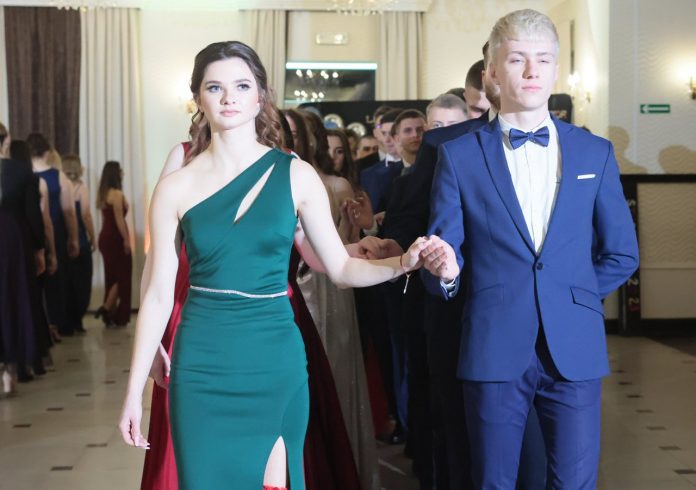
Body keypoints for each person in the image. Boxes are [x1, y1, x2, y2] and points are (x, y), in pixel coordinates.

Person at [118, 41, 426, 490]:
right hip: (200, 361)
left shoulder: (296, 174)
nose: (229, 97)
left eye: (242, 86)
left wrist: (403, 263)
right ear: (198, 97)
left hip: (274, 358)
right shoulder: (175, 187)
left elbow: (340, 269)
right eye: (215, 87)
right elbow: (158, 293)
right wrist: (133, 392)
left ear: (260, 95)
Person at [420, 10, 639, 488]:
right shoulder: (459, 156)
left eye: (543, 59)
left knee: (575, 483)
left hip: (574, 348)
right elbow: (443, 256)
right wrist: (447, 272)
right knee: (492, 481)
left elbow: (622, 253)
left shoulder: (595, 152)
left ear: (556, 69)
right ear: (492, 73)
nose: (531, 70)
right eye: (517, 59)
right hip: (493, 343)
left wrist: (573, 296)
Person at [0, 123, 45, 394]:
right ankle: (10, 372)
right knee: (12, 299)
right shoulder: (19, 171)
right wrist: (39, 249)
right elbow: (33, 215)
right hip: (11, 241)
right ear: (6, 141)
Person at [28, 133, 79, 339]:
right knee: (56, 281)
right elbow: (69, 211)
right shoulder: (59, 177)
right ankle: (54, 324)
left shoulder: (24, 176)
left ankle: (39, 326)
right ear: (48, 152)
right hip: (56, 232)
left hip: (31, 235)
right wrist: (74, 238)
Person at [96, 161, 132, 328]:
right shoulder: (117, 194)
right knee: (123, 276)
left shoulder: (103, 194)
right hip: (115, 238)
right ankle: (108, 309)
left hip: (105, 237)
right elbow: (119, 219)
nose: (123, 172)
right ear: (115, 173)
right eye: (120, 170)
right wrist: (126, 239)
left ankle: (108, 311)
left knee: (112, 277)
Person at [62, 155, 95, 334]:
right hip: (80, 240)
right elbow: (85, 215)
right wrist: (93, 236)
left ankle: (66, 322)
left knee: (67, 283)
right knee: (82, 282)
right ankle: (77, 320)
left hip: (63, 239)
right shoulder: (80, 187)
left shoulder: (61, 185)